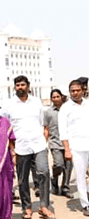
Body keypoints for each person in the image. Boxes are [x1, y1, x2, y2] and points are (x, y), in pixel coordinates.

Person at [6, 75, 55, 219]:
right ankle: (26, 207)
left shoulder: (37, 102)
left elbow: (41, 121)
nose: (20, 87)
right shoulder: (9, 104)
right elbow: (6, 127)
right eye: (18, 85)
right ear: (15, 87)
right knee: (22, 179)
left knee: (44, 172)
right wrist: (12, 149)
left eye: (23, 85)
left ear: (28, 86)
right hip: (20, 146)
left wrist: (44, 139)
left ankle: (44, 206)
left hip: (38, 144)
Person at [59, 80, 89, 216]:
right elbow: (63, 131)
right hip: (76, 147)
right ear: (69, 92)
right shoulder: (65, 108)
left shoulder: (88, 104)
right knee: (81, 176)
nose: (75, 93)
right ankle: (85, 204)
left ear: (82, 90)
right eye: (72, 91)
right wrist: (67, 149)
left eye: (77, 90)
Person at [44, 89, 73, 199]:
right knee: (59, 164)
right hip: (55, 142)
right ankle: (54, 179)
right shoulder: (48, 112)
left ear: (62, 97)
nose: (56, 99)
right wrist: (44, 143)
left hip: (69, 143)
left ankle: (65, 187)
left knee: (68, 166)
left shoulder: (68, 110)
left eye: (57, 96)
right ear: (51, 99)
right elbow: (46, 129)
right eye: (54, 97)